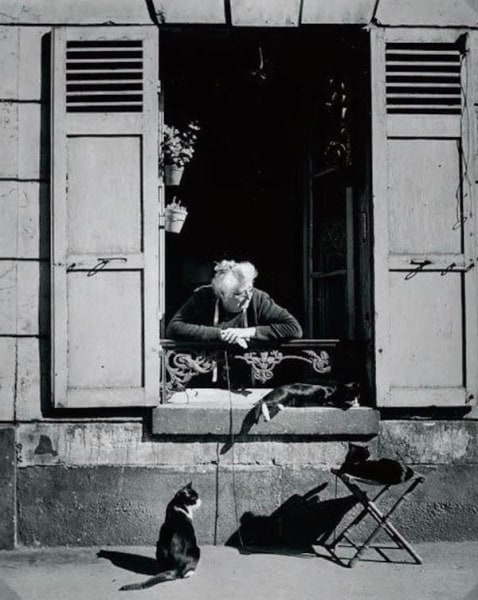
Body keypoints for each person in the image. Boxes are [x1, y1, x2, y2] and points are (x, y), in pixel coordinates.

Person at [166, 259, 302, 348]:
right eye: (240, 293)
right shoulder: (203, 296)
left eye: (250, 289)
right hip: (207, 370)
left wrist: (247, 332)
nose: (248, 296)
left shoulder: (258, 298)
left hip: (250, 374)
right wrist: (220, 334)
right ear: (222, 294)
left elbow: (294, 328)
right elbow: (174, 327)